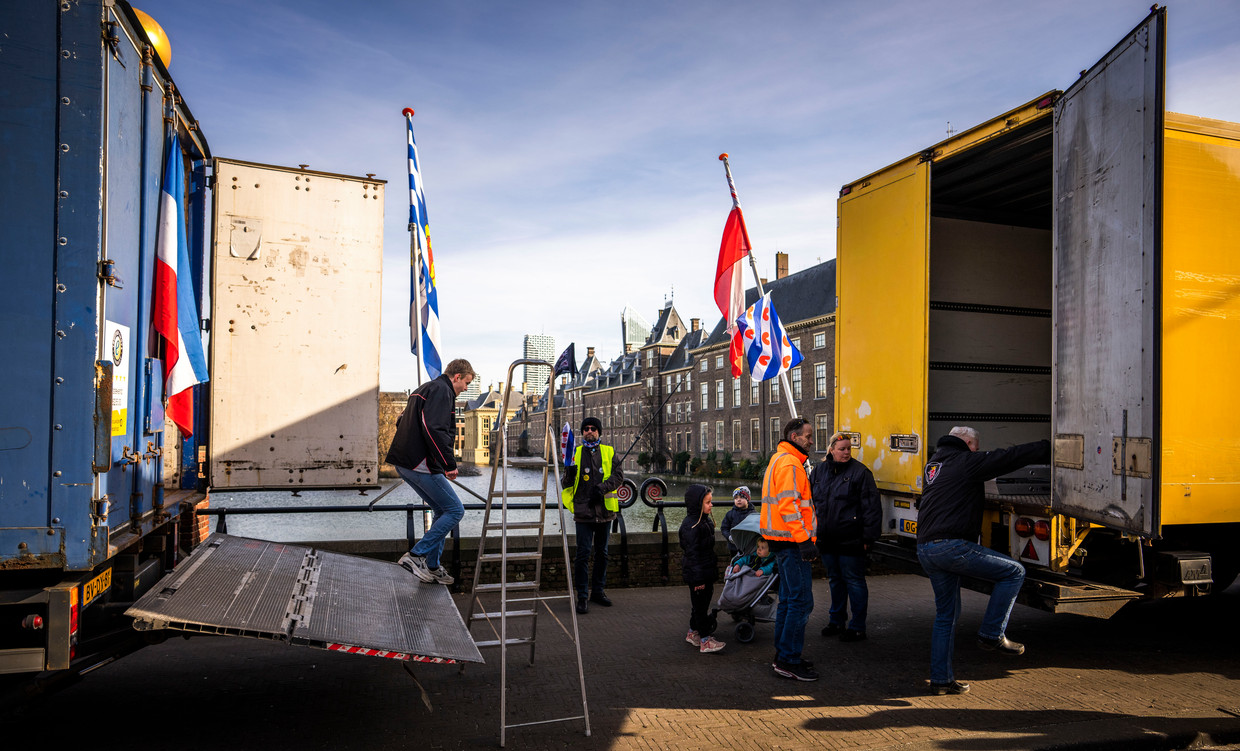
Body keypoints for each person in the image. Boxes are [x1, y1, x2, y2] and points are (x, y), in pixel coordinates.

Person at [915, 426, 1051, 695]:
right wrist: (1048, 446)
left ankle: (941, 680)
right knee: (1014, 571)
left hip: (926, 549)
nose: (977, 450)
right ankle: (992, 634)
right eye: (976, 446)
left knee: (946, 617)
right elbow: (1007, 457)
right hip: (951, 547)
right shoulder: (964, 461)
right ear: (967, 443)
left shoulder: (935, 464)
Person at [387, 358, 476, 585]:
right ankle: (416, 556)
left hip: (406, 461)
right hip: (420, 462)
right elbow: (433, 429)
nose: (466, 388)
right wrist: (449, 463)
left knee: (441, 510)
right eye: (466, 383)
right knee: (455, 510)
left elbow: (402, 421)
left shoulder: (424, 389)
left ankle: (434, 566)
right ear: (457, 377)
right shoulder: (441, 391)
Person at [760, 417, 819, 681]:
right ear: (794, 437)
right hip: (793, 543)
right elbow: (788, 506)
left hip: (781, 541)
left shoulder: (778, 460)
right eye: (807, 435)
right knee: (801, 602)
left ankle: (783, 654)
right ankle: (788, 659)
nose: (811, 440)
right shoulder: (791, 464)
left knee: (788, 600)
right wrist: (804, 540)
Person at [810, 432, 881, 643]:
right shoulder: (819, 471)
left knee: (854, 582)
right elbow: (809, 502)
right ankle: (836, 621)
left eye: (849, 448)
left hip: (852, 539)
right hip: (826, 539)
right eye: (842, 449)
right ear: (831, 450)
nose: (847, 452)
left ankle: (858, 627)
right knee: (835, 580)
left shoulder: (860, 473)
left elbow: (872, 508)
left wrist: (869, 537)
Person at [562, 416, 624, 614]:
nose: (590, 431)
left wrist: (603, 488)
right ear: (582, 433)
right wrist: (569, 475)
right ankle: (582, 596)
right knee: (582, 554)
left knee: (602, 554)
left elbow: (618, 476)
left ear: (599, 432)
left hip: (605, 511)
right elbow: (566, 484)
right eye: (586, 429)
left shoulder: (609, 452)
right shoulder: (575, 453)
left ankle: (598, 591)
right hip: (584, 511)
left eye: (593, 428)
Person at [680, 484, 725, 653]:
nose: (711, 505)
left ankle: (693, 633)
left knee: (700, 605)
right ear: (698, 504)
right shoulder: (692, 526)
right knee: (700, 607)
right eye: (707, 502)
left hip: (704, 571)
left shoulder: (703, 521)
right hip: (698, 575)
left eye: (711, 502)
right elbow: (692, 556)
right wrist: (698, 580)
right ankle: (705, 640)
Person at [721, 486, 756, 556]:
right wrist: (729, 537)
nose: (738, 500)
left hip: (749, 546)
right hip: (734, 547)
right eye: (736, 498)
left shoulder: (753, 514)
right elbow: (724, 528)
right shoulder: (730, 514)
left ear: (748, 499)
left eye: (742, 497)